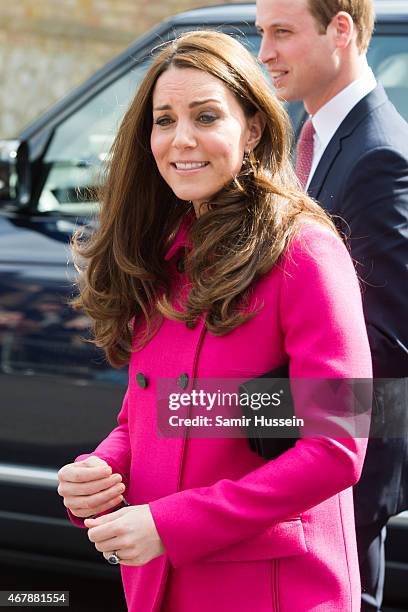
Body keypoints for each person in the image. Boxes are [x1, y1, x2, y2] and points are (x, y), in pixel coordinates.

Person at [57, 31, 372, 611]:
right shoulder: (164, 250)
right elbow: (149, 413)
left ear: (252, 128)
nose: (181, 140)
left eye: (206, 116)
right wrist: (101, 469)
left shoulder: (306, 252)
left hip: (274, 589)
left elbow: (336, 447)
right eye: (164, 119)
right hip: (161, 584)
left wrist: (172, 523)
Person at [255, 1, 408, 610]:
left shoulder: (380, 155)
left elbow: (392, 335)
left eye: (281, 33)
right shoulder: (311, 133)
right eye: (263, 33)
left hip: (349, 453)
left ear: (340, 30)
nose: (264, 52)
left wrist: (257, 393)